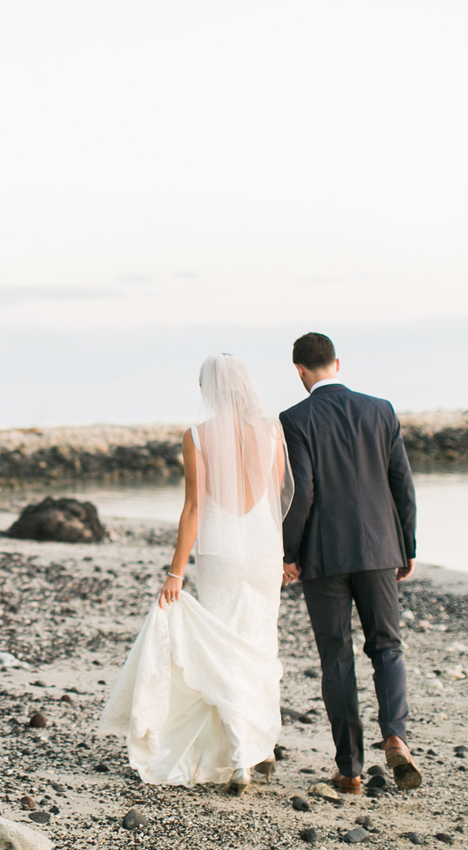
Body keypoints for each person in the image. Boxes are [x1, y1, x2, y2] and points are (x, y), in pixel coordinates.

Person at [99, 354, 293, 794]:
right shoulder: (273, 431)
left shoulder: (198, 436)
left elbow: (193, 508)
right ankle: (257, 747)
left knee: (223, 653)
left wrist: (175, 572)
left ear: (208, 390)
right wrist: (285, 557)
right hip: (264, 552)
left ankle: (243, 757)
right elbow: (277, 501)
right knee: (259, 649)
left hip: (221, 552)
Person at [280, 332, 421, 794]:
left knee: (336, 657)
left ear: (300, 371)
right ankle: (396, 735)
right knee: (387, 646)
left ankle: (351, 769)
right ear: (337, 364)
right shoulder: (381, 409)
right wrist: (408, 546)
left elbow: (302, 492)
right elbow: (401, 482)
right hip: (381, 549)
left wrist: (290, 554)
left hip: (324, 556)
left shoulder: (295, 418)